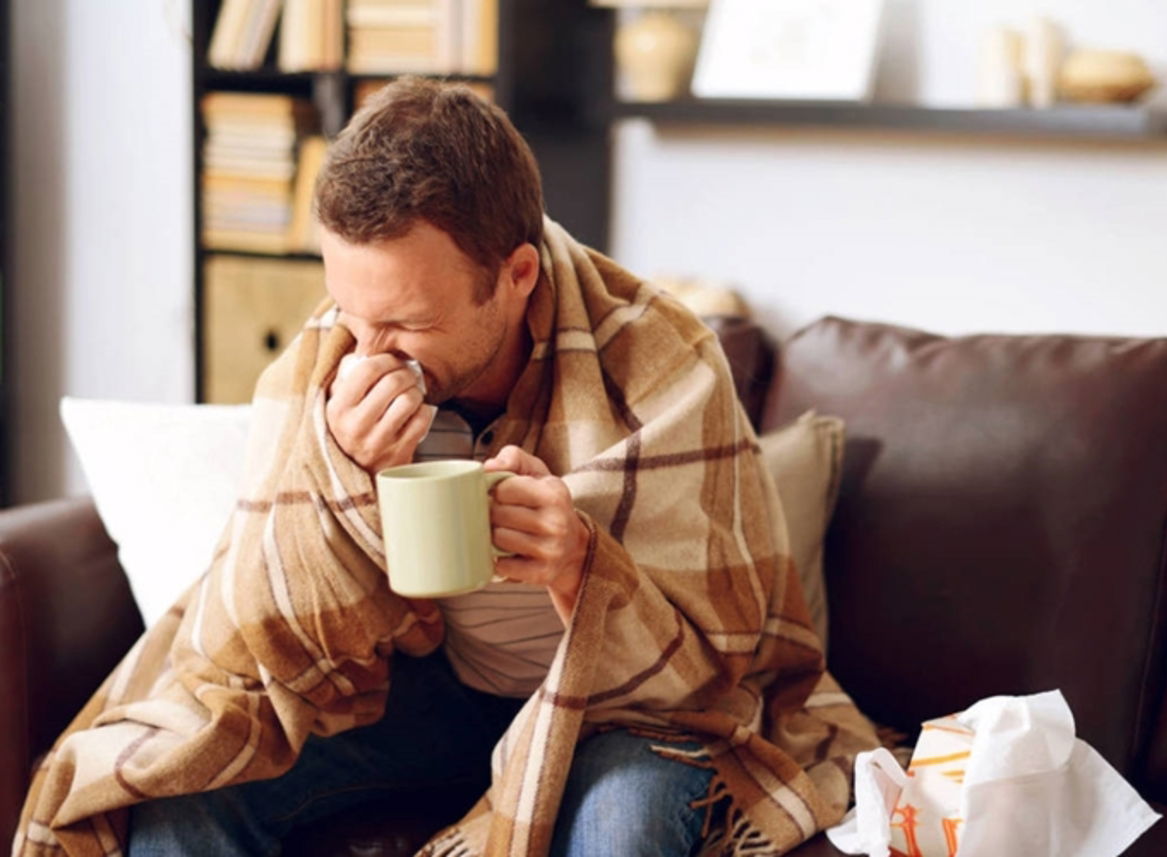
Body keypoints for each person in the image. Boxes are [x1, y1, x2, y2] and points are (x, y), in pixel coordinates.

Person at [14, 77, 877, 857]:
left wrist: (583, 568)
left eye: (409, 324)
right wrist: (343, 477)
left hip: (624, 717)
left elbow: (716, 671)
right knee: (179, 792)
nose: (367, 349)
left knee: (620, 829)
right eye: (351, 311)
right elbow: (267, 640)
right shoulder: (329, 360)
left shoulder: (665, 363)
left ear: (515, 275)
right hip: (432, 693)